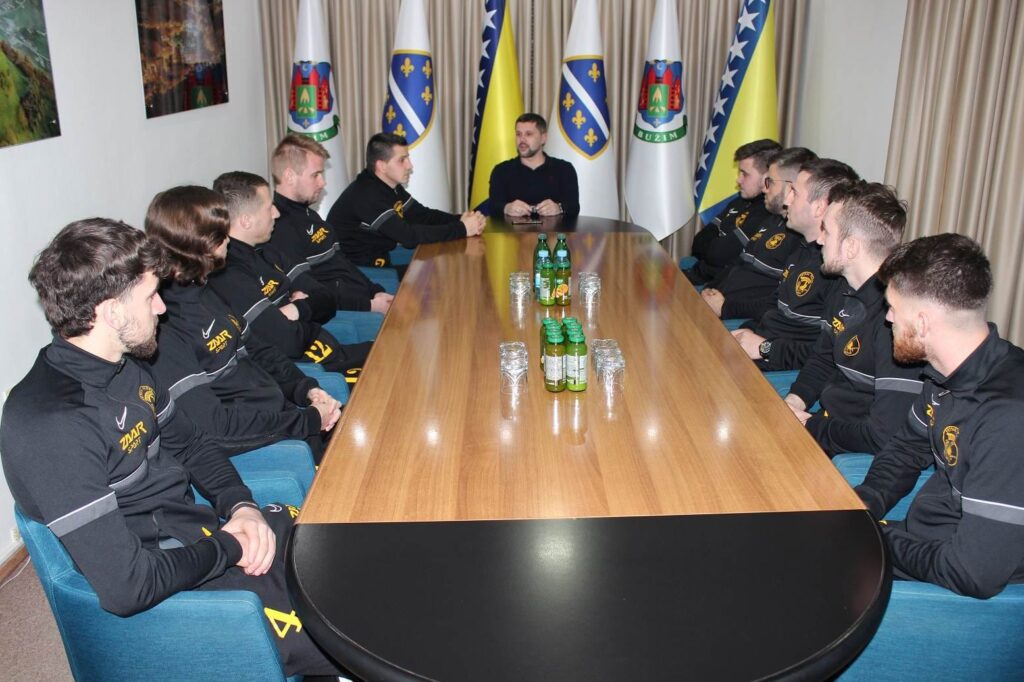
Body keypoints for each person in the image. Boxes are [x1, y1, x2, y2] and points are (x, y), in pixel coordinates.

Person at [0, 219, 340, 676]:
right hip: (172, 583)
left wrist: (241, 507)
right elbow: (127, 587)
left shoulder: (126, 368)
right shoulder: (50, 423)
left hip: (203, 538)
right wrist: (229, 547)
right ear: (111, 312)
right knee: (350, 626)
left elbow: (194, 445)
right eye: (149, 297)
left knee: (340, 557)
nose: (162, 307)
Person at [855, 234, 1024, 598]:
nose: (887, 318)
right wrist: (862, 505)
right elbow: (905, 451)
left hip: (956, 588)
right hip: (925, 543)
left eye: (892, 308)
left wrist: (877, 539)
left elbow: (972, 573)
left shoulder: (1009, 418)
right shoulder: (945, 375)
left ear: (923, 322)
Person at [145, 186, 341, 462]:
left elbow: (260, 351)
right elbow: (215, 426)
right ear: (198, 243)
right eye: (221, 233)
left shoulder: (204, 289)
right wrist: (305, 421)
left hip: (281, 420)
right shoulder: (163, 323)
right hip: (260, 445)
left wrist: (306, 389)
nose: (229, 239)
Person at [784, 182, 924, 457]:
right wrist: (793, 402)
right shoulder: (843, 288)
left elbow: (882, 434)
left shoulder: (896, 320)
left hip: (854, 449)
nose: (819, 240)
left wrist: (811, 426)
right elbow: (822, 359)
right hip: (826, 425)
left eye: (827, 230)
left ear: (850, 247)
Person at [209, 171, 374, 370]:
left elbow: (326, 298)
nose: (276, 214)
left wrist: (296, 310)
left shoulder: (268, 250)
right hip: (315, 369)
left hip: (334, 352)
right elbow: (287, 342)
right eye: (269, 207)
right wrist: (306, 311)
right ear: (246, 221)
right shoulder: (229, 274)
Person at [732, 159, 859, 370]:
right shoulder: (801, 248)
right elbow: (772, 310)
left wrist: (765, 348)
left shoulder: (836, 271)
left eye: (795, 193)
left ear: (819, 207)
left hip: (782, 370)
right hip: (760, 351)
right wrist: (745, 331)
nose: (786, 200)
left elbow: (825, 355)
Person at [263, 133, 395, 313]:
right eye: (315, 175)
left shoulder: (308, 213)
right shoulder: (280, 228)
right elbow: (311, 290)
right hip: (342, 311)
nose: (323, 182)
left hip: (359, 295)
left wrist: (375, 291)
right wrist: (370, 305)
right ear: (290, 176)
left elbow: (342, 263)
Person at [327, 132, 486, 274]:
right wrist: (462, 228)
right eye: (402, 160)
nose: (410, 165)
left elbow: (422, 216)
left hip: (380, 256)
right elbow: (408, 237)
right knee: (436, 276)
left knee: (444, 262)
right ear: (382, 166)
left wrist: (461, 219)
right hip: (359, 271)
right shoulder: (367, 195)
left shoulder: (389, 186)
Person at [701, 147, 817, 320]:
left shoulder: (802, 238)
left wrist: (725, 308)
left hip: (740, 315)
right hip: (720, 303)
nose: (764, 189)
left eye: (770, 182)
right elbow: (738, 264)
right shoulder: (773, 220)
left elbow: (777, 302)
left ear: (791, 188)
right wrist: (710, 289)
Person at [685, 139, 781, 285]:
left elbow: (718, 255)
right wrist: (713, 250)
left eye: (745, 174)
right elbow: (699, 242)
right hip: (699, 273)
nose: (738, 180)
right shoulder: (740, 200)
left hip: (714, 286)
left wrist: (713, 249)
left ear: (766, 178)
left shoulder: (766, 213)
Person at [487, 112, 580, 219]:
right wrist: (506, 208)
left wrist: (559, 208)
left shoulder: (564, 169)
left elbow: (574, 207)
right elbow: (492, 207)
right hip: (510, 230)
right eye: (518, 134)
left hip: (555, 230)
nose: (522, 140)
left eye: (528, 134)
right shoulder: (501, 171)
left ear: (543, 138)